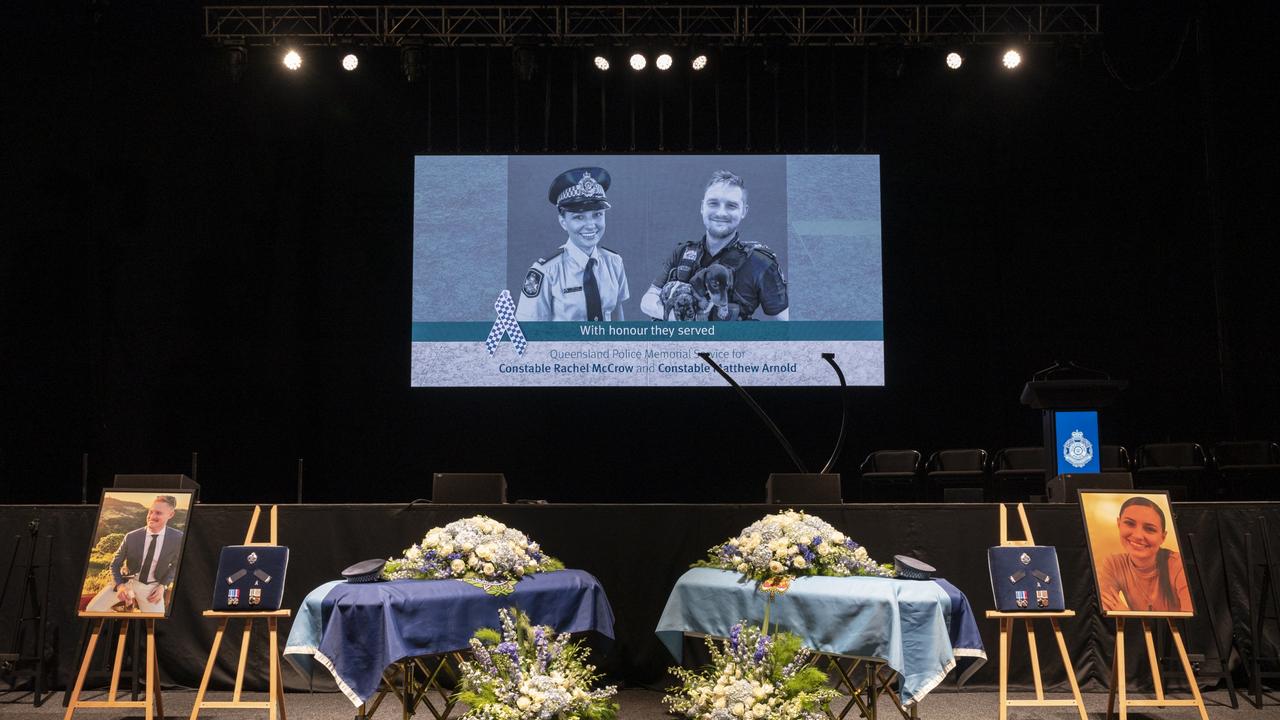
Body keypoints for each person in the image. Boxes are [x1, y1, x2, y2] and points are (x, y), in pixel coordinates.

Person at [641, 170, 788, 321]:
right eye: (713, 203)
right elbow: (647, 301)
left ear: (744, 211)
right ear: (702, 207)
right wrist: (680, 318)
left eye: (731, 206)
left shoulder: (760, 262)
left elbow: (789, 325)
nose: (721, 213)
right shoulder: (682, 252)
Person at [516, 166, 629, 321]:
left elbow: (617, 317)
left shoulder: (614, 263)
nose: (591, 225)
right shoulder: (546, 272)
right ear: (563, 222)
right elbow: (530, 331)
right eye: (579, 217)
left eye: (597, 215)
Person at [85, 495, 185, 614]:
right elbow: (115, 564)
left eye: (158, 513)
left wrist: (162, 586)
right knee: (92, 610)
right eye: (151, 511)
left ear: (171, 514)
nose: (152, 516)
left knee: (157, 622)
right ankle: (119, 617)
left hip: (152, 587)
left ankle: (129, 612)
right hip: (126, 583)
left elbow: (176, 565)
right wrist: (120, 586)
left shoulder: (178, 538)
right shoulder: (131, 536)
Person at [1096, 496, 1193, 613]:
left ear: (1163, 537)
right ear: (1118, 524)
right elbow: (1106, 609)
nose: (1137, 535)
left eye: (1149, 529)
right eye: (1129, 523)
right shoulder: (1114, 564)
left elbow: (1190, 622)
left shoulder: (1178, 565)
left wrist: (1127, 614)